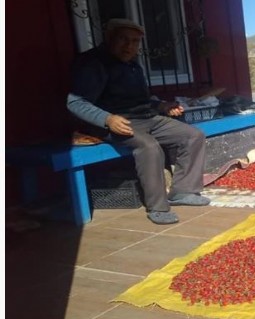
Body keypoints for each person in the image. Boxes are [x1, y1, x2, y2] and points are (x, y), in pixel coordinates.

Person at [66, 18, 210, 225]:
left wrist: (161, 106)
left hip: (146, 118)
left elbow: (142, 100)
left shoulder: (133, 65)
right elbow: (75, 102)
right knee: (149, 147)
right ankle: (158, 207)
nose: (129, 46)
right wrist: (107, 118)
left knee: (193, 136)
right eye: (123, 40)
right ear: (109, 39)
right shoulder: (92, 63)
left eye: (135, 42)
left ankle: (184, 191)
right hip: (113, 123)